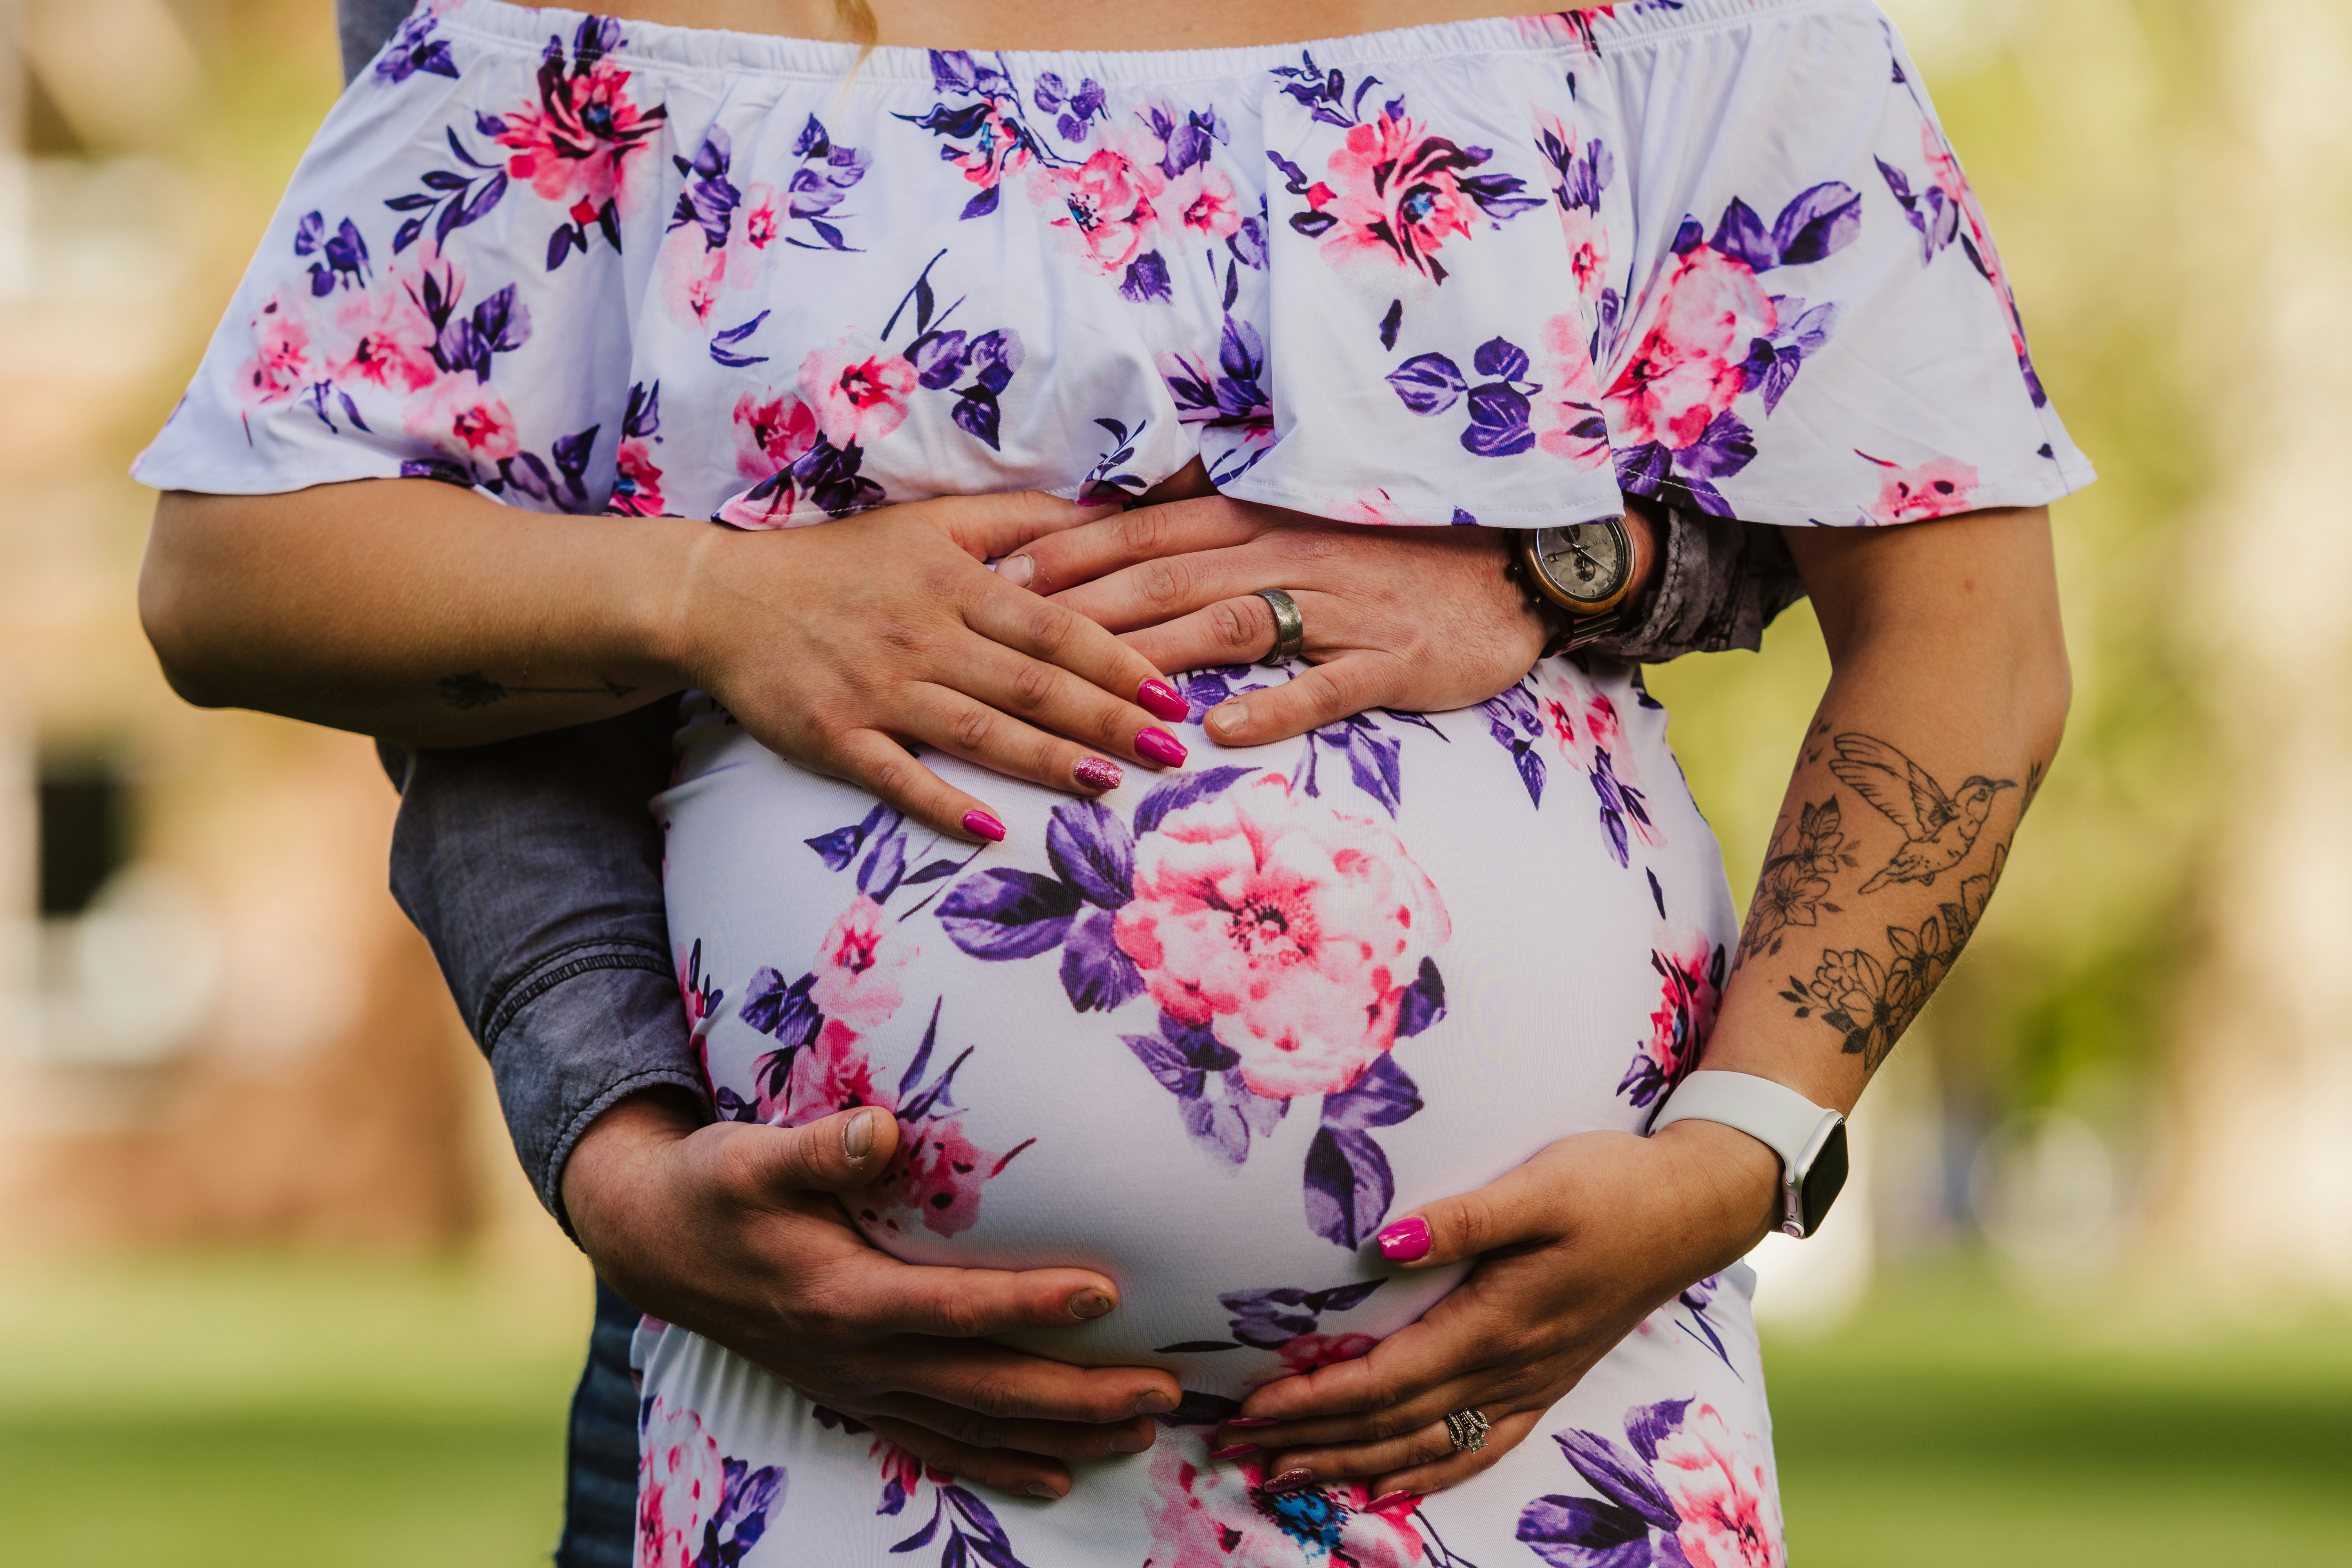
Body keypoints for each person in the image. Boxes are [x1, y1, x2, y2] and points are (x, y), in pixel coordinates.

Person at [138, 3, 2081, 1564]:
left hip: (1544, 1410)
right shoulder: (597, 37)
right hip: (848, 1415)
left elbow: (1963, 631)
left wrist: (1737, 1151)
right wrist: (712, 594)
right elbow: (233, 572)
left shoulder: (1679, 28)